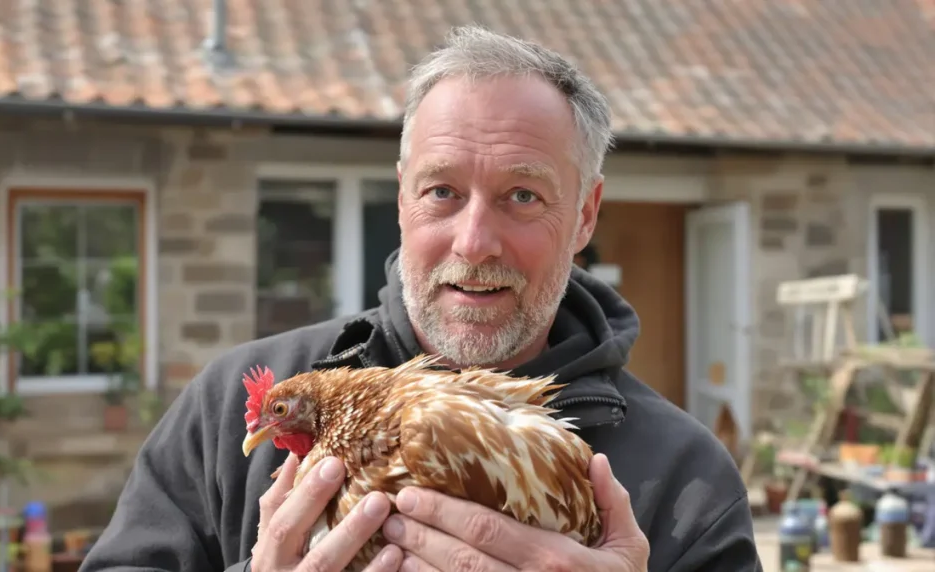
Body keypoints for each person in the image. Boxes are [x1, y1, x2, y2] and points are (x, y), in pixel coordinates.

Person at [80, 26, 762, 572]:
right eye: (443, 191)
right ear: (403, 195)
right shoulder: (230, 411)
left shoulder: (684, 481)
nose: (474, 242)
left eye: (522, 196)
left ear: (585, 215)